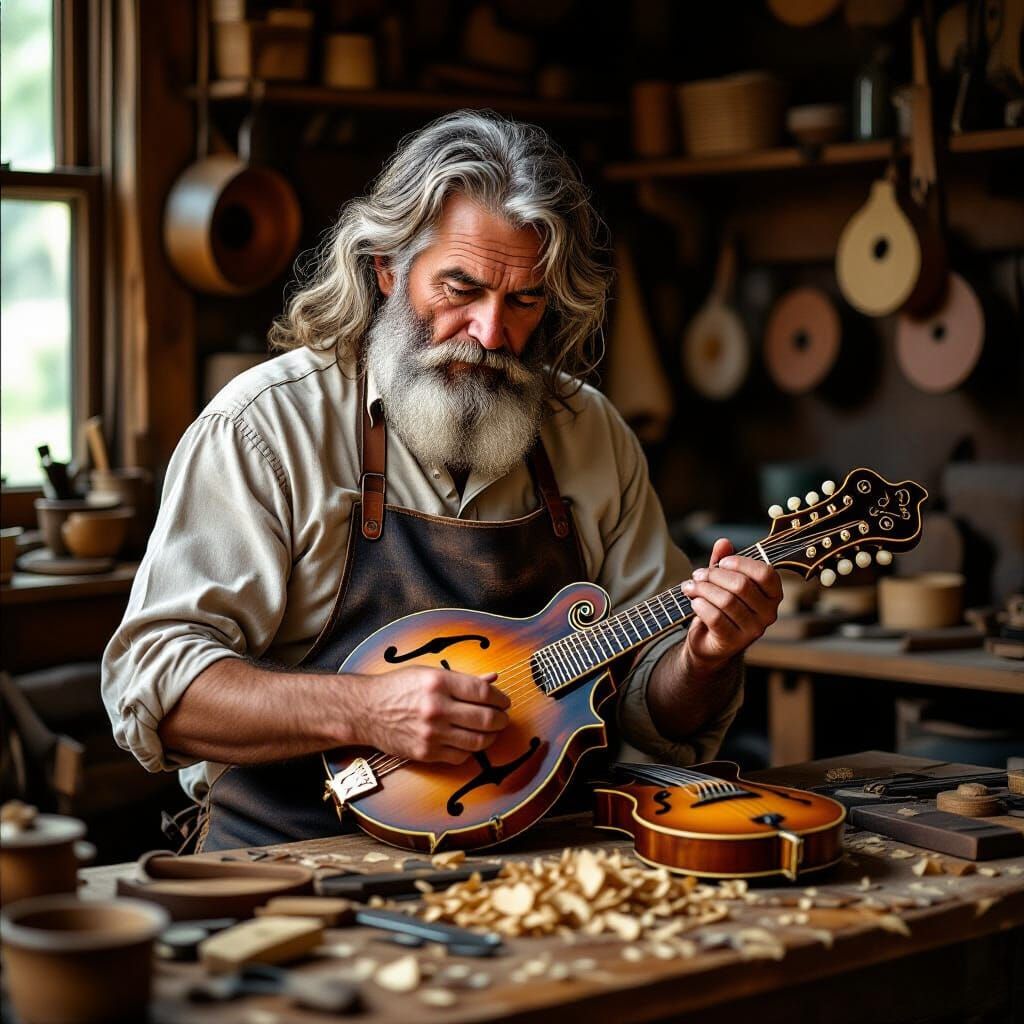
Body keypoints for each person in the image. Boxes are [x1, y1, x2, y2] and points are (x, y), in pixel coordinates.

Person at [102, 111, 781, 851]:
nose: (491, 333)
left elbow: (652, 708)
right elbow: (157, 687)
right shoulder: (264, 430)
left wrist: (705, 658)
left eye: (524, 301)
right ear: (388, 266)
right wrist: (366, 712)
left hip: (543, 865)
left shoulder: (590, 434)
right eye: (460, 288)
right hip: (292, 866)